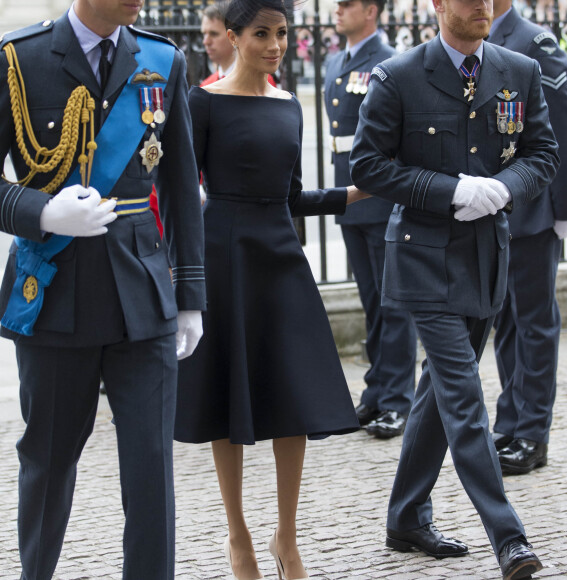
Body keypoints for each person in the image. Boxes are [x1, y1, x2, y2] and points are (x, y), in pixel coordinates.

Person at [349, 0, 559, 575]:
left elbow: (544, 153)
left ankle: (406, 517)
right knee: (464, 396)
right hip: (423, 260)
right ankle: (508, 536)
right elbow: (368, 166)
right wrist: (450, 190)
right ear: (438, 4)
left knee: (436, 396)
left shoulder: (519, 71)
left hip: (486, 257)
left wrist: (504, 186)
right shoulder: (399, 75)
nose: (483, 7)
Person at [0, 0, 206, 578]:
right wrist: (42, 211)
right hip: (56, 287)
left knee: (151, 467)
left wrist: (190, 294)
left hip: (143, 293)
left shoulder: (162, 59)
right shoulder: (21, 59)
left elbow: (181, 183)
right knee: (47, 460)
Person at [173, 0, 365, 578]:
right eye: (261, 34)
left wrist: (356, 194)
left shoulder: (289, 107)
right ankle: (238, 537)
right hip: (222, 256)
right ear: (232, 37)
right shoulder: (202, 102)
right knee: (225, 399)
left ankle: (288, 536)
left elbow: (291, 199)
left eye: (282, 33)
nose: (275, 44)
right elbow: (183, 191)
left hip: (282, 258)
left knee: (293, 398)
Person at [487, 0, 567, 475]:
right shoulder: (475, 41)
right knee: (504, 323)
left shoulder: (535, 42)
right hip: (491, 209)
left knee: (535, 323)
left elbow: (564, 127)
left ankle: (532, 434)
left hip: (533, 211)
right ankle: (510, 421)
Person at [325, 0, 417, 439]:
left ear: (371, 11)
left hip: (380, 198)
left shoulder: (390, 62)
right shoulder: (333, 62)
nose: (337, 10)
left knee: (393, 303)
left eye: (347, 4)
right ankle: (377, 391)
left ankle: (398, 400)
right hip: (350, 198)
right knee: (371, 302)